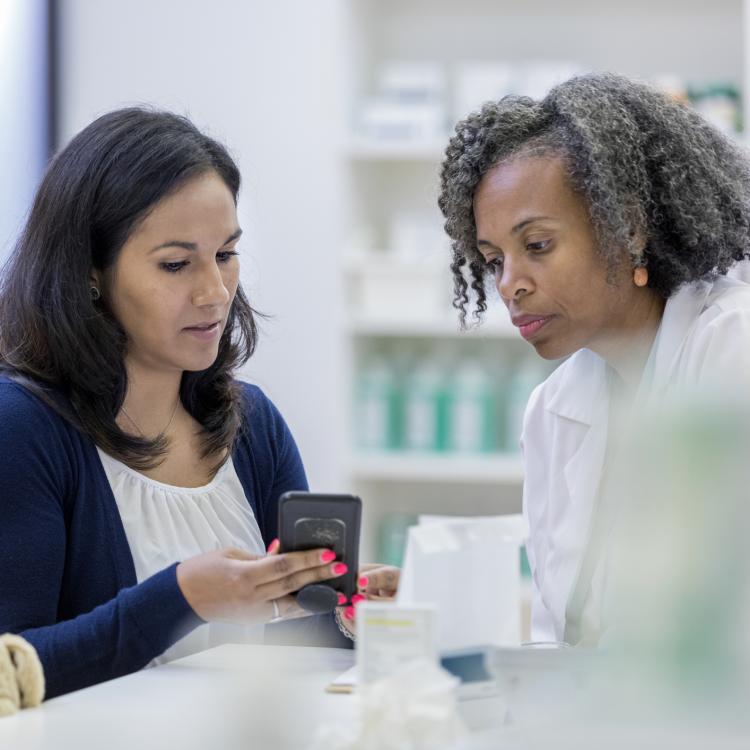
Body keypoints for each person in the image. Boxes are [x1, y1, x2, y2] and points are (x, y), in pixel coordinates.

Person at [0, 108, 393, 700]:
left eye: (227, 254)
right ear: (90, 274)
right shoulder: (23, 429)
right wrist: (180, 598)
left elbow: (290, 648)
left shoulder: (252, 423)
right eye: (176, 264)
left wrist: (348, 616)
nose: (214, 292)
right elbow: (12, 673)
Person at [438, 73, 750, 646]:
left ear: (628, 229)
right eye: (493, 259)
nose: (510, 285)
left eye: (536, 246)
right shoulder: (552, 409)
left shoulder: (733, 348)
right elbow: (562, 635)